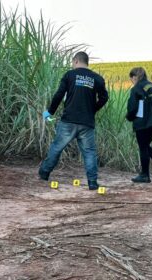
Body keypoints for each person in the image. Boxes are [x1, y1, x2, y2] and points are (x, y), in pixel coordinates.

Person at [38, 51, 108, 190]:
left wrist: (49, 112)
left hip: (68, 121)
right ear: (86, 62)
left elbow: (59, 94)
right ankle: (92, 182)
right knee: (89, 153)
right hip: (87, 123)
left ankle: (44, 173)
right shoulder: (97, 78)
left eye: (72, 62)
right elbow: (104, 98)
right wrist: (92, 109)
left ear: (76, 61)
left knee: (57, 147)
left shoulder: (70, 75)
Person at [126, 67, 152, 183]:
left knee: (143, 147)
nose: (132, 82)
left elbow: (132, 108)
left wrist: (129, 117)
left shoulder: (136, 88)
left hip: (142, 122)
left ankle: (145, 175)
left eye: (131, 79)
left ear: (134, 77)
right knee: (146, 146)